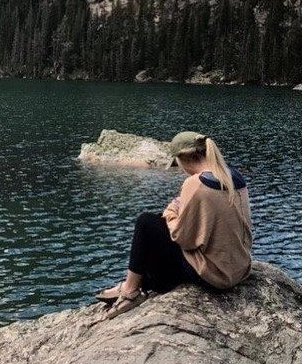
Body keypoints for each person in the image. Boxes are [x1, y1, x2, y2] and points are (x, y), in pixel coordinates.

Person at [97, 131, 253, 319]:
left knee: (146, 223)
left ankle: (130, 290)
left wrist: (172, 211)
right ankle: (135, 283)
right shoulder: (234, 176)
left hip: (216, 276)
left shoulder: (195, 184)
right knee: (157, 232)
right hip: (239, 269)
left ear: (183, 159)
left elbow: (183, 238)